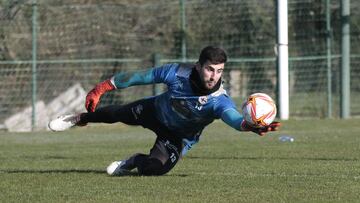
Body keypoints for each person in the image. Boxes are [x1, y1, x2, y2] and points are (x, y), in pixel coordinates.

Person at [48, 46, 280, 176]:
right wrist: (103, 87)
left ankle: (134, 160)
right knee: (115, 114)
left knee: (153, 170)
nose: (214, 76)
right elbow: (141, 77)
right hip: (155, 111)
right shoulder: (176, 73)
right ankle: (79, 118)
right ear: (199, 66)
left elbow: (232, 118)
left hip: (178, 138)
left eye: (219, 71)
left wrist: (248, 126)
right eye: (210, 69)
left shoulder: (218, 101)